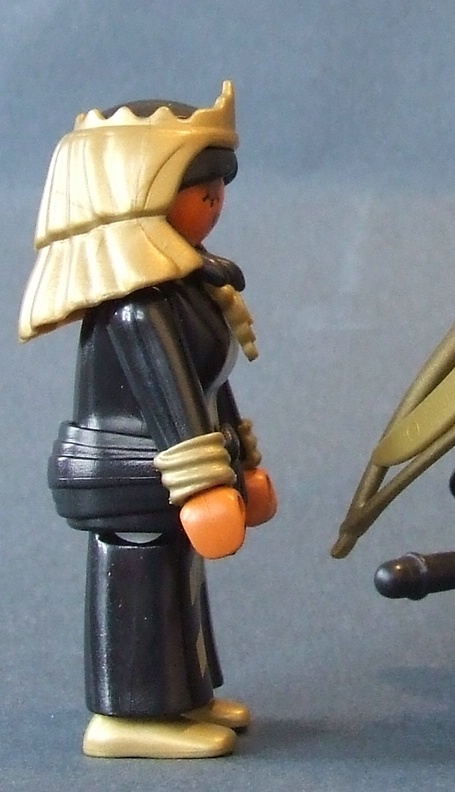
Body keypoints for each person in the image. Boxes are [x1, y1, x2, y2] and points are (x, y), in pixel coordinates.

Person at [19, 81, 278, 759]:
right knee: (143, 572)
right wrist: (203, 482)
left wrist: (243, 460)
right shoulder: (138, 306)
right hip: (127, 466)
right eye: (202, 191)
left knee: (177, 574)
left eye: (219, 189)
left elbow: (209, 385)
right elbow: (171, 398)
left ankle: (183, 697)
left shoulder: (184, 290)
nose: (215, 203)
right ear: (146, 195)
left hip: (160, 463)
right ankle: (129, 714)